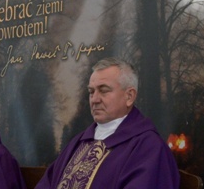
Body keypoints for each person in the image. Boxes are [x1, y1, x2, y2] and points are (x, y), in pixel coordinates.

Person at [35, 58, 179, 189]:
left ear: (129, 96)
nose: (94, 99)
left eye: (104, 91)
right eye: (91, 92)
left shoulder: (148, 148)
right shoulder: (79, 143)